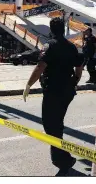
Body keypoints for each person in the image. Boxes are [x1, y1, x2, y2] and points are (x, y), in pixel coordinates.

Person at [22, 17, 83, 176]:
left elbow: (40, 66)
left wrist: (28, 85)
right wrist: (75, 81)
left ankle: (63, 159)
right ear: (63, 29)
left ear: (51, 30)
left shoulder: (49, 45)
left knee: (49, 124)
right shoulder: (71, 46)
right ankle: (63, 158)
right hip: (67, 91)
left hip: (54, 90)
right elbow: (79, 66)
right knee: (57, 123)